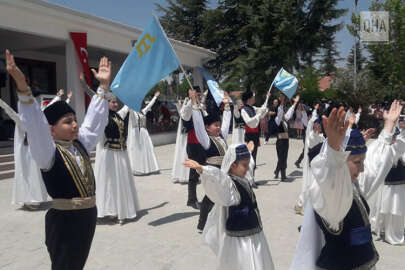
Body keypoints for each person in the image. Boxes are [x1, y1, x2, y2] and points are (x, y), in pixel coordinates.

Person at [6, 49, 111, 270]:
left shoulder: (80, 143)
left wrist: (102, 87)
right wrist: (22, 87)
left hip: (87, 216)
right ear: (52, 130)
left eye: (74, 120)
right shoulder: (48, 153)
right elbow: (35, 124)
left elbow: (94, 121)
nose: (74, 125)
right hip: (64, 220)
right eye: (67, 121)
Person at [290, 101, 405, 270]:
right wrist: (333, 149)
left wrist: (388, 127)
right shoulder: (327, 195)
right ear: (341, 162)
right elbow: (330, 177)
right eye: (357, 162)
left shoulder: (354, 186)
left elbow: (377, 165)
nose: (363, 168)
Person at [183, 144, 275, 270]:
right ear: (233, 165)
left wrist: (248, 150)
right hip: (239, 240)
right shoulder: (230, 185)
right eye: (244, 165)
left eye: (248, 165)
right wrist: (202, 169)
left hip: (254, 233)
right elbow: (219, 179)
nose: (248, 169)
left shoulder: (243, 178)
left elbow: (249, 164)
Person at [95, 96, 140, 225]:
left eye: (116, 102)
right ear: (106, 103)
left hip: (121, 153)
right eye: (112, 102)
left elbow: (126, 108)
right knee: (110, 183)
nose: (115, 104)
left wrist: (132, 94)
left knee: (121, 182)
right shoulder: (103, 116)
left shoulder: (118, 116)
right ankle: (110, 210)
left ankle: (121, 211)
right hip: (110, 154)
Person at [190, 91, 232, 232]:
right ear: (208, 128)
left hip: (224, 172)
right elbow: (198, 126)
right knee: (209, 198)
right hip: (212, 173)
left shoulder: (222, 137)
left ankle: (222, 222)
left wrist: (226, 107)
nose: (219, 127)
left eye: (219, 125)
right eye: (215, 125)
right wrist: (195, 105)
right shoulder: (207, 140)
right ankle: (201, 225)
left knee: (222, 197)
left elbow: (226, 123)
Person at [0, 98, 48, 210]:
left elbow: (45, 107)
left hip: (29, 152)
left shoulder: (27, 119)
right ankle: (31, 199)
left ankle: (33, 199)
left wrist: (58, 97)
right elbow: (9, 111)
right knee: (29, 174)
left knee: (30, 174)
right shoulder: (26, 119)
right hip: (26, 152)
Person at [369, 125, 405, 245]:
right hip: (388, 186)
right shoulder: (387, 151)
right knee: (386, 209)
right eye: (393, 137)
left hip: (399, 186)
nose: (394, 139)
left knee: (396, 211)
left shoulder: (399, 149)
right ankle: (384, 230)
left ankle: (393, 232)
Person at [181, 87, 206, 210]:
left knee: (204, 170)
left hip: (203, 142)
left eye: (199, 94)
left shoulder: (200, 106)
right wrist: (191, 100)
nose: (199, 96)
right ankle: (191, 199)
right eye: (197, 94)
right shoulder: (188, 106)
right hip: (193, 143)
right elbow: (184, 116)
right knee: (194, 173)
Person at [127, 92, 160, 175]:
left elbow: (150, 105)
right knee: (136, 149)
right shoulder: (132, 112)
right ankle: (136, 168)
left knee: (148, 149)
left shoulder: (143, 111)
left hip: (144, 133)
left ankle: (149, 167)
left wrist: (155, 97)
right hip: (137, 133)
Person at [274, 94, 298, 181]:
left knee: (284, 157)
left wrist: (295, 103)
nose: (284, 113)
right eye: (282, 111)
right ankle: (282, 175)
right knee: (281, 157)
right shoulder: (277, 120)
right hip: (280, 141)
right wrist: (282, 102)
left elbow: (290, 111)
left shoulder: (285, 120)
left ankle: (277, 171)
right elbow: (280, 113)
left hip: (286, 140)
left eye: (284, 112)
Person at [241, 90, 268, 164]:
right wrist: (259, 115)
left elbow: (262, 110)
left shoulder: (253, 108)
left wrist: (267, 98)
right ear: (249, 99)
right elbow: (249, 122)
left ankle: (252, 174)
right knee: (250, 158)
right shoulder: (244, 110)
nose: (254, 99)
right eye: (253, 97)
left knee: (254, 158)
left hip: (255, 135)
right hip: (249, 136)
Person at [171, 98, 190, 183]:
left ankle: (184, 174)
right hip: (185, 135)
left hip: (185, 135)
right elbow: (183, 114)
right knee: (184, 153)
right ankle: (183, 175)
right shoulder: (184, 111)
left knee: (184, 153)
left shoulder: (183, 110)